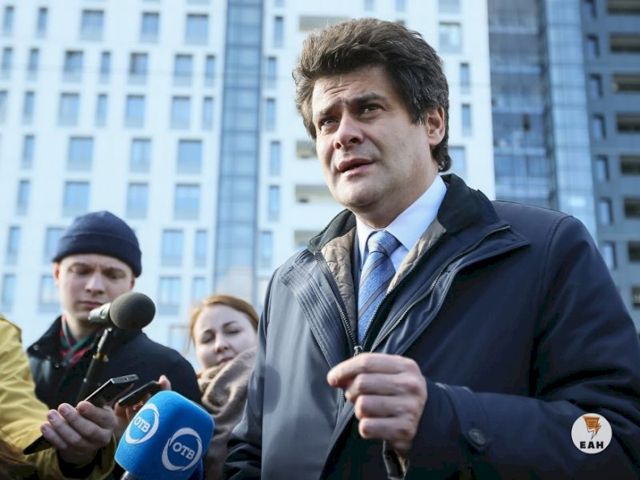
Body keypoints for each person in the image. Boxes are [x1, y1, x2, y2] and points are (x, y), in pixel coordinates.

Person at [225, 18, 640, 479]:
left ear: (432, 123)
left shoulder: (547, 249)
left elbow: (614, 440)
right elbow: (250, 455)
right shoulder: (288, 285)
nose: (343, 134)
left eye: (368, 109)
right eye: (327, 121)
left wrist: (445, 421)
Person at [27, 211, 201, 407]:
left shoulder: (169, 368)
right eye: (81, 271)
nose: (95, 286)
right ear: (57, 274)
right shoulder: (21, 365)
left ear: (131, 284)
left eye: (113, 275)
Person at [1, 314, 116, 479]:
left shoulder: (3, 334)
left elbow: (15, 419)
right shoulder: (38, 350)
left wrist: (63, 447)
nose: (94, 289)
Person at [190, 294, 258, 480]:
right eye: (207, 339)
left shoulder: (282, 381)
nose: (220, 345)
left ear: (259, 333)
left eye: (233, 331)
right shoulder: (185, 397)